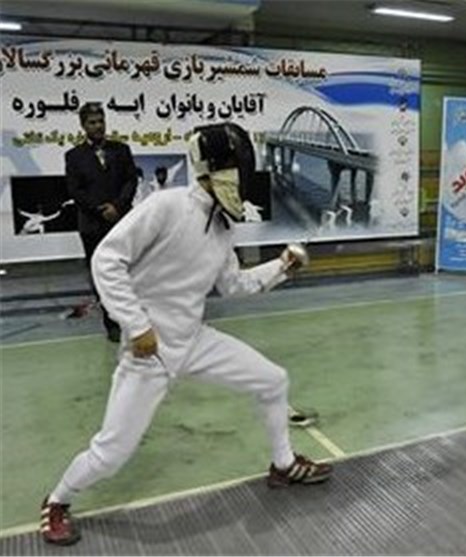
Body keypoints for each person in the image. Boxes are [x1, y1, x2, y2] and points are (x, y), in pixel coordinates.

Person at [40, 123, 332, 547]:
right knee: (112, 453)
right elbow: (107, 259)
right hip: (149, 352)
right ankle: (57, 501)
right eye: (236, 168)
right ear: (211, 168)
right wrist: (137, 325)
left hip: (194, 341)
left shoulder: (222, 227)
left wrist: (282, 267)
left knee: (273, 380)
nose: (241, 179)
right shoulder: (167, 206)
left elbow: (232, 285)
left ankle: (283, 465)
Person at [66, 103, 137, 342]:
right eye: (92, 122)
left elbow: (131, 181)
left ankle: (133, 320)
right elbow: (75, 191)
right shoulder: (74, 156)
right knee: (102, 276)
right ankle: (112, 323)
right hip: (92, 226)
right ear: (83, 126)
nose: (98, 126)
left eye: (101, 121)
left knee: (129, 272)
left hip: (122, 222)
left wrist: (117, 206)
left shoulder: (121, 150)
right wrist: (100, 209)